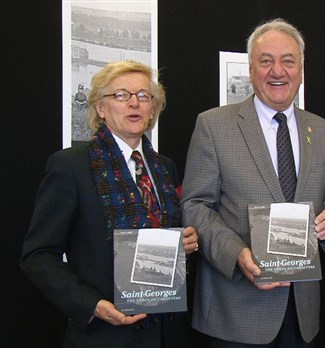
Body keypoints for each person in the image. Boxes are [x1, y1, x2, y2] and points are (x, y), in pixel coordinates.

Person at [180, 18, 325, 347]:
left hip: (302, 312)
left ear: (301, 69)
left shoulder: (323, 131)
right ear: (251, 70)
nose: (277, 71)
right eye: (265, 61)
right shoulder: (213, 125)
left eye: (288, 61)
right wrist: (237, 254)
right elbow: (195, 206)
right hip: (235, 311)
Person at [20, 60, 199, 348]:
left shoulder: (165, 167)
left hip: (166, 333)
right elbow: (38, 255)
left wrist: (185, 242)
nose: (134, 103)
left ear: (153, 108)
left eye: (143, 96)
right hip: (104, 335)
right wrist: (92, 305)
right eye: (121, 95)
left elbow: (161, 241)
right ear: (100, 108)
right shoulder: (71, 166)